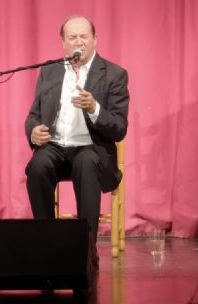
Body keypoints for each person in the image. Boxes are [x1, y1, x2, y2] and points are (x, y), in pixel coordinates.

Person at [25, 15, 129, 265]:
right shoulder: (49, 71)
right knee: (37, 165)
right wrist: (33, 131)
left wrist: (94, 108)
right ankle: (47, 242)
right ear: (63, 42)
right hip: (56, 148)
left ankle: (86, 248)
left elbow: (119, 128)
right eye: (72, 37)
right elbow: (33, 115)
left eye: (84, 36)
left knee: (86, 162)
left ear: (95, 39)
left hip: (92, 150)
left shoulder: (114, 74)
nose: (78, 42)